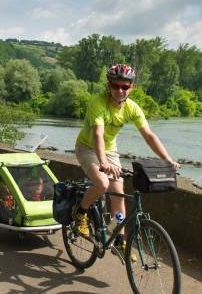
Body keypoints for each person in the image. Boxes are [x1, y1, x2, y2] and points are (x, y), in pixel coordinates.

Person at [73, 63, 180, 252]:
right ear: (109, 85)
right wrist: (103, 163)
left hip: (110, 150)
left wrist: (168, 159)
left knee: (119, 193)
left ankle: (119, 239)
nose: (120, 90)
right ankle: (81, 213)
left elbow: (149, 135)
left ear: (132, 87)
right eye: (115, 86)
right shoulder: (98, 103)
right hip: (87, 148)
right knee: (103, 184)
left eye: (125, 86)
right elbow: (98, 134)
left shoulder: (132, 108)